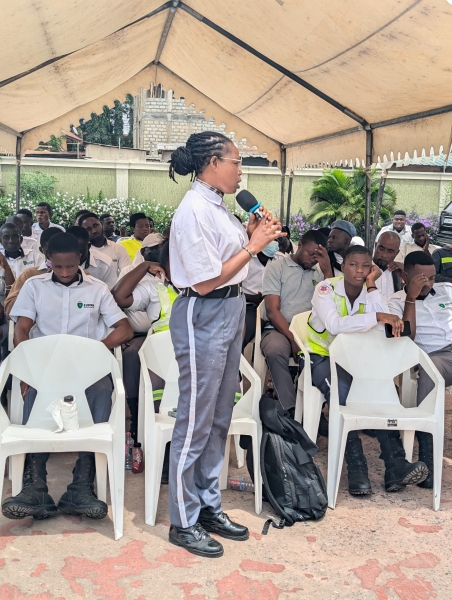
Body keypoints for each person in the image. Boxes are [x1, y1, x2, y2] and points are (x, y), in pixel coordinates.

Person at [167, 131, 283, 558]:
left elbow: (227, 262)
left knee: (219, 418)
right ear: (213, 162)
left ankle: (207, 506)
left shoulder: (216, 206)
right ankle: (183, 519)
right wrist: (253, 246)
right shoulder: (194, 210)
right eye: (236, 162)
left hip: (230, 310)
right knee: (196, 419)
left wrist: (249, 235)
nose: (240, 171)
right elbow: (204, 278)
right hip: (204, 311)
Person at [2, 232, 133, 521]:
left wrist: (96, 351)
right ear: (48, 261)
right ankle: (35, 487)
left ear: (80, 260)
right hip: (46, 368)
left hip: (87, 370)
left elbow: (124, 329)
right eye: (57, 266)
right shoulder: (35, 287)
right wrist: (29, 369)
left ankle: (81, 486)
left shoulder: (97, 289)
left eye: (70, 266)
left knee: (101, 388)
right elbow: (22, 330)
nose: (63, 272)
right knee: (37, 392)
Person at [306, 245, 428, 495]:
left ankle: (395, 464)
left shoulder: (369, 290)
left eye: (366, 266)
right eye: (353, 264)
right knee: (342, 394)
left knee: (380, 388)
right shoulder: (326, 288)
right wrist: (378, 317)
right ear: (343, 266)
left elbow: (378, 320)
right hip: (322, 358)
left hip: (356, 360)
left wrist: (373, 286)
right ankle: (357, 467)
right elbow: (334, 325)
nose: (360, 271)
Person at [388, 251, 452, 488]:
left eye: (432, 278)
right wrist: (411, 299)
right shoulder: (394, 302)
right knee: (430, 371)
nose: (428, 283)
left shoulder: (447, 290)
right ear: (405, 276)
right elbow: (407, 335)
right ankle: (429, 458)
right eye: (421, 279)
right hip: (434, 357)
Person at [261, 230, 332, 412]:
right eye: (310, 253)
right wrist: (293, 339)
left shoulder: (321, 274)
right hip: (280, 328)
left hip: (311, 332)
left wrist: (327, 271)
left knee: (331, 355)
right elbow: (272, 310)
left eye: (318, 256)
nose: (313, 259)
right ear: (299, 246)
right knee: (275, 350)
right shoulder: (277, 267)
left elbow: (333, 305)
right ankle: (290, 410)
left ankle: (314, 411)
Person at [112, 234, 169, 442]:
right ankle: (137, 416)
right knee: (134, 354)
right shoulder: (154, 286)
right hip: (148, 340)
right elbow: (118, 297)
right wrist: (144, 268)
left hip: (187, 348)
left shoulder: (198, 285)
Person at [4, 228, 63, 316]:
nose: (55, 256)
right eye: (50, 252)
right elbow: (9, 308)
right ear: (42, 250)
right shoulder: (30, 275)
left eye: (60, 250)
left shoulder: (80, 275)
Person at [241, 242, 277, 350]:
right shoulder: (246, 261)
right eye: (264, 256)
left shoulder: (277, 261)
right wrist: (251, 297)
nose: (266, 259)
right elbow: (233, 287)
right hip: (248, 305)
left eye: (269, 258)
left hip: (272, 307)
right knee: (245, 329)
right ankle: (236, 361)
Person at [372, 231, 403, 299]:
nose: (384, 255)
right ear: (375, 246)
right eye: (381, 249)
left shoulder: (397, 273)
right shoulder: (363, 269)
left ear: (397, 253)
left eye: (390, 251)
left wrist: (406, 276)